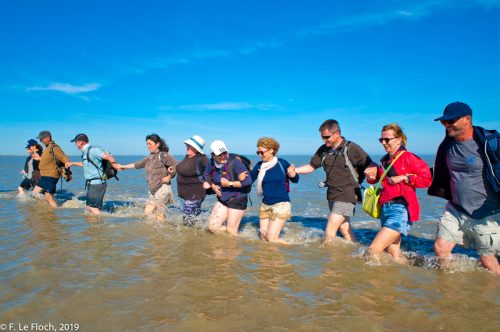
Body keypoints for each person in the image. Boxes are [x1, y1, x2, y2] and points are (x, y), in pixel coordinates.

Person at [429, 102, 500, 274]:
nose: (446, 125)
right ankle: (452, 292)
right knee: (441, 249)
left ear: (467, 119)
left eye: (450, 121)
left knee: (488, 262)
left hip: (486, 213)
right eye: (443, 122)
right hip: (456, 210)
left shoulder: (489, 143)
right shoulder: (446, 145)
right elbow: (440, 171)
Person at [295, 119, 374, 243]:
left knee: (329, 231)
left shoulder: (352, 148)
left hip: (348, 194)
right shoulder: (324, 149)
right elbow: (311, 166)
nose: (324, 140)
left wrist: (371, 172)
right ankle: (355, 252)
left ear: (336, 133)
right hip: (332, 193)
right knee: (344, 229)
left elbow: (370, 164)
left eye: (326, 137)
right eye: (322, 137)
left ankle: (329, 260)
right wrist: (294, 170)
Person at [364, 124, 432, 263]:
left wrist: (405, 178)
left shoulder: (409, 157)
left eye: (387, 139)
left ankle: (374, 283)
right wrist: (370, 176)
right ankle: (406, 280)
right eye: (381, 140)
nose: (383, 143)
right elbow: (381, 181)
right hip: (385, 209)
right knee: (393, 255)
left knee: (372, 250)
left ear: (399, 139)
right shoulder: (384, 160)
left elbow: (427, 180)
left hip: (400, 209)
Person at [249, 137, 299, 244]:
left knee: (272, 238)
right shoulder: (259, 165)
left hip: (281, 204)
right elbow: (249, 180)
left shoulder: (282, 163)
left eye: (262, 152)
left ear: (271, 150)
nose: (259, 155)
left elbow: (295, 180)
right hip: (265, 204)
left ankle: (293, 250)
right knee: (263, 236)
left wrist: (293, 174)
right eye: (258, 152)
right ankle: (268, 258)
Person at [116, 134, 177, 220]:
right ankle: (156, 230)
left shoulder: (162, 155)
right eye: (147, 144)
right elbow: (137, 164)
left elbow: (177, 164)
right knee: (147, 212)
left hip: (163, 189)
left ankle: (161, 231)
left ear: (157, 144)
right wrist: (123, 167)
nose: (148, 146)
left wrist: (169, 177)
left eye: (150, 144)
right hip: (153, 191)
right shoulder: (149, 157)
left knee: (159, 215)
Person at [202, 140, 252, 236]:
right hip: (223, 199)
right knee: (212, 227)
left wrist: (230, 184)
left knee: (231, 231)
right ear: (213, 155)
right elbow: (206, 175)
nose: (223, 156)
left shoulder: (235, 162)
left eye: (224, 152)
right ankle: (226, 245)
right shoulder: (211, 162)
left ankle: (233, 246)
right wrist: (213, 186)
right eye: (220, 154)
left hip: (238, 198)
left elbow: (248, 181)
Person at [65, 133, 119, 215]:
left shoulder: (93, 150)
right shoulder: (86, 152)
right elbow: (85, 164)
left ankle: (110, 218)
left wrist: (115, 165)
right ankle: (96, 225)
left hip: (97, 184)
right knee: (89, 207)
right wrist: (72, 163)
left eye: (76, 142)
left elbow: (108, 157)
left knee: (93, 208)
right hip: (92, 184)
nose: (75, 145)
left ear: (81, 142)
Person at [176, 135, 209, 225]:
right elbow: (183, 168)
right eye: (187, 144)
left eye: (189, 145)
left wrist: (208, 182)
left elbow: (210, 172)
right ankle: (198, 237)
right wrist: (173, 169)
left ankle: (190, 238)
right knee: (193, 221)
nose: (187, 146)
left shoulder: (202, 158)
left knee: (187, 223)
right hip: (188, 195)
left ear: (196, 148)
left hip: (195, 194)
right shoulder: (188, 156)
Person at [32, 131, 70, 208]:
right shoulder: (47, 148)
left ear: (48, 138)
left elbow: (65, 159)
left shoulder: (54, 147)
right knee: (34, 193)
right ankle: (54, 204)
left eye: (42, 139)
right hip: (44, 176)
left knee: (48, 196)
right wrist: (39, 158)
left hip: (51, 176)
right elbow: (49, 160)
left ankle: (53, 213)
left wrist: (66, 170)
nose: (40, 141)